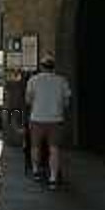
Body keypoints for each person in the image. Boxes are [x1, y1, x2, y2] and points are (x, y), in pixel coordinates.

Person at [25, 54, 71, 187]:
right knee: (54, 149)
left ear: (41, 67)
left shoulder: (33, 80)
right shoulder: (62, 80)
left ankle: (35, 171)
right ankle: (53, 177)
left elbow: (28, 100)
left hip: (37, 118)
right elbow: (67, 101)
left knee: (35, 147)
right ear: (53, 67)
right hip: (55, 119)